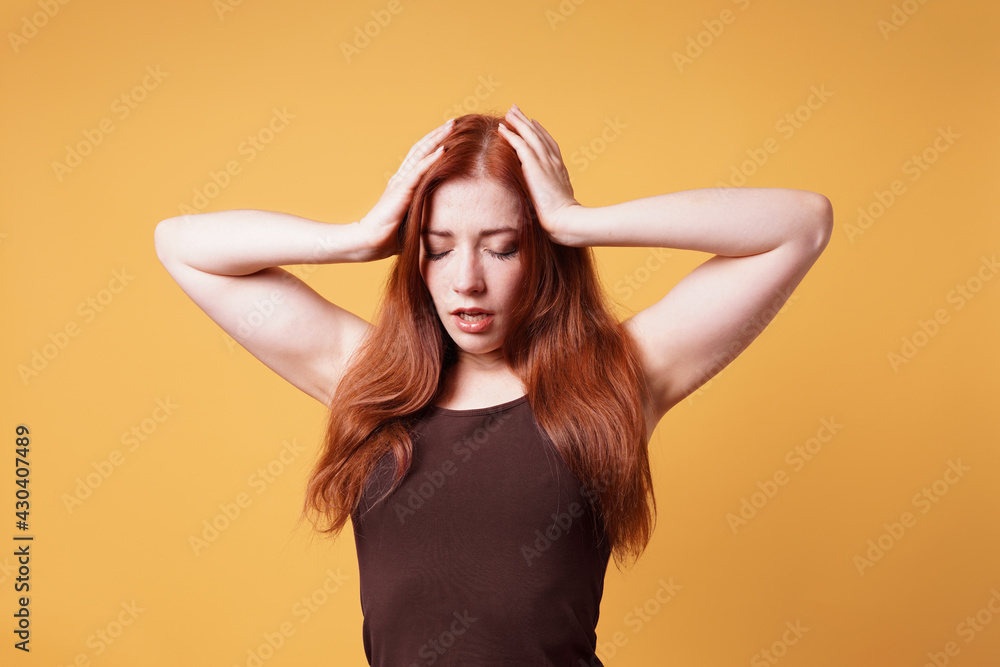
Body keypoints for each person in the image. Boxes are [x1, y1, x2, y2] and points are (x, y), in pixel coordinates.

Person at [154, 104, 833, 665]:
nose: (467, 280)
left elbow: (801, 224)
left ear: (541, 254)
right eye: (439, 246)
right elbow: (181, 246)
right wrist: (356, 237)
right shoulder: (365, 376)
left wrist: (577, 221)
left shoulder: (613, 380)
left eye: (502, 247)